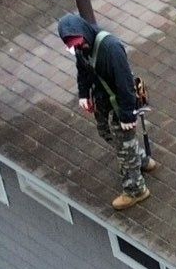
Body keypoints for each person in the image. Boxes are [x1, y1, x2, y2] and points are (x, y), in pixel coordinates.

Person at [58, 11, 158, 210]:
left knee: (123, 145)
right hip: (103, 101)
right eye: (73, 45)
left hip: (121, 104)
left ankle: (135, 190)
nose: (78, 48)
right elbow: (83, 70)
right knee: (106, 133)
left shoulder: (111, 48)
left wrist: (127, 113)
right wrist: (84, 94)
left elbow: (125, 82)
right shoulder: (81, 47)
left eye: (79, 43)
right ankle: (140, 158)